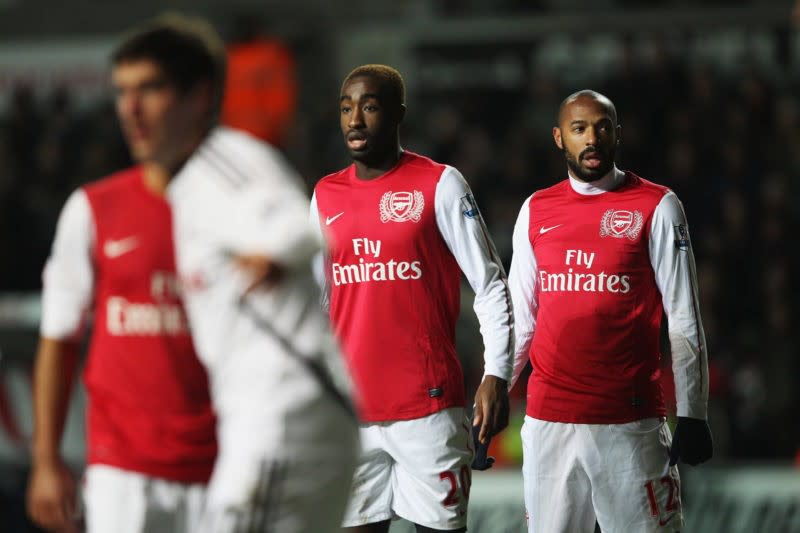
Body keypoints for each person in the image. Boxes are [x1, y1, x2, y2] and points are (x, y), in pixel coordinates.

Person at [155, 16, 358, 533]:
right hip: (300, 410)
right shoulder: (232, 164)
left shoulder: (233, 161)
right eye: (262, 85)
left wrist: (272, 253)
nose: (276, 99)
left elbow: (296, 230)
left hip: (284, 414)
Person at [25, 15, 219, 533]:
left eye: (150, 89)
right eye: (122, 91)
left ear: (198, 96)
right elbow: (58, 337)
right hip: (122, 472)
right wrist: (45, 462)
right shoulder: (91, 210)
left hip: (227, 467)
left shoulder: (248, 211)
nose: (130, 109)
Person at [310, 64, 513, 533]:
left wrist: (496, 373)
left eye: (370, 106)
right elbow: (315, 305)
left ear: (399, 113)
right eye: (346, 108)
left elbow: (489, 283)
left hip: (428, 409)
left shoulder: (440, 184)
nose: (355, 119)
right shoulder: (325, 195)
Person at [508, 89, 713, 532]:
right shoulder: (535, 210)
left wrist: (693, 411)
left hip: (630, 421)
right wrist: (495, 389)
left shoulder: (657, 205)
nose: (592, 138)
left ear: (618, 135)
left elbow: (684, 315)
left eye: (602, 127)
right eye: (579, 129)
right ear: (559, 138)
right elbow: (521, 319)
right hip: (549, 422)